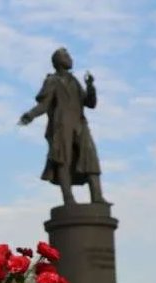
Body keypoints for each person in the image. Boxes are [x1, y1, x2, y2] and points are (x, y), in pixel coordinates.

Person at [19, 48, 106, 205]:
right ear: (58, 61)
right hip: (61, 126)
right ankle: (69, 199)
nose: (71, 59)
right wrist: (30, 115)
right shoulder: (52, 81)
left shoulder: (75, 81)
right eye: (67, 56)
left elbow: (91, 104)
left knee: (90, 158)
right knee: (62, 160)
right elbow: (44, 105)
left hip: (80, 124)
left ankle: (97, 197)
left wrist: (90, 87)